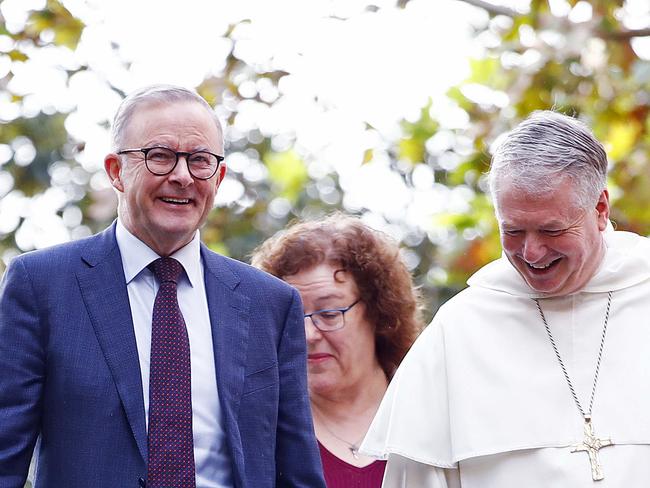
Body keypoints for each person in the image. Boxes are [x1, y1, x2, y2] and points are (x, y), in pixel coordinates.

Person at [0, 84, 326, 488]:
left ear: (219, 176)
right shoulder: (42, 285)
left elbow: (296, 472)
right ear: (116, 171)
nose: (182, 176)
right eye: (160, 157)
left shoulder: (271, 305)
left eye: (200, 161)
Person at [361, 110, 650, 487]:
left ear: (600, 209)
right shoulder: (460, 330)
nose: (531, 252)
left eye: (551, 229)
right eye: (512, 230)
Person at [251, 213, 423, 488]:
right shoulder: (264, 431)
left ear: (378, 312)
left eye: (329, 313)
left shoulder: (429, 411)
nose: (307, 334)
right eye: (291, 318)